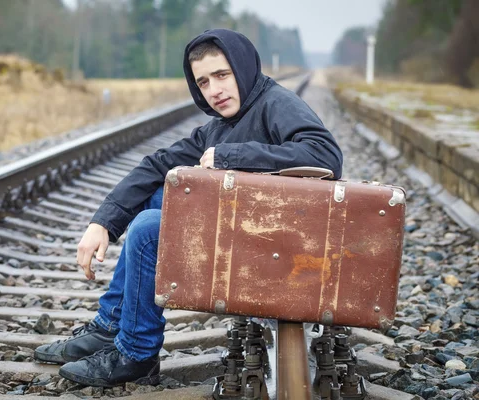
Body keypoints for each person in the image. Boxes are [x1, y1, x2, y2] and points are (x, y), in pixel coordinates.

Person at [34, 28, 343, 387]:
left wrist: (231, 157)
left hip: (274, 250)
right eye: (203, 82)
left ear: (242, 68)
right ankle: (110, 326)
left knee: (150, 229)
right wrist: (102, 222)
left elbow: (325, 154)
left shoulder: (276, 103)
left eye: (222, 75)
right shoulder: (219, 127)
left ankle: (135, 353)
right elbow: (156, 165)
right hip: (251, 238)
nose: (214, 90)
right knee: (155, 197)